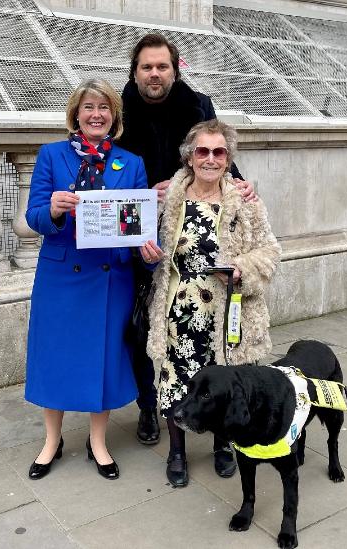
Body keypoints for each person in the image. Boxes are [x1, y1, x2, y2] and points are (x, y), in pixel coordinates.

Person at [118, 32, 255, 478]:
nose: (154, 74)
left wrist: (242, 184)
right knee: (143, 329)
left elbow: (218, 157)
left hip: (191, 234)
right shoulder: (119, 112)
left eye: (162, 66)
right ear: (135, 71)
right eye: (146, 67)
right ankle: (148, 406)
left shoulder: (198, 106)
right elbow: (107, 177)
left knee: (210, 341)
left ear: (176, 69)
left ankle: (218, 429)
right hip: (141, 236)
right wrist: (145, 194)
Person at [138, 120, 281, 487]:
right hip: (177, 312)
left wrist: (241, 269)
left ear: (228, 158)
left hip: (227, 314)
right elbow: (138, 244)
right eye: (203, 151)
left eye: (219, 152)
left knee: (226, 382)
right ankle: (177, 452)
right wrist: (146, 253)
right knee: (175, 381)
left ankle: (223, 445)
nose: (211, 159)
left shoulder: (246, 202)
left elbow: (270, 252)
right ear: (189, 156)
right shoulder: (167, 198)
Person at [23, 79, 149, 481]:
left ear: (115, 115)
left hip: (110, 278)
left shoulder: (130, 163)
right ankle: (52, 440)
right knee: (55, 355)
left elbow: (139, 221)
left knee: (104, 357)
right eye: (89, 107)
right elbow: (34, 217)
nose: (97, 114)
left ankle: (98, 441)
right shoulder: (52, 155)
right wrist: (55, 210)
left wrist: (147, 249)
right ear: (75, 114)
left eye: (105, 107)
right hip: (61, 275)